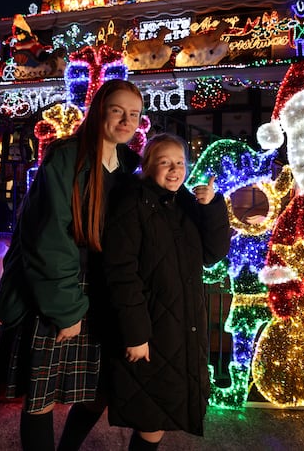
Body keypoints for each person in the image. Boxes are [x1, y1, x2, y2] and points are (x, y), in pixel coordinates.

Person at [0, 79, 144, 451]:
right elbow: (48, 238)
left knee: (100, 388)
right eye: (117, 111)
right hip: (61, 289)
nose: (126, 121)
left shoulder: (131, 166)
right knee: (41, 396)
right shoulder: (66, 157)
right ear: (99, 113)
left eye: (134, 114)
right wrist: (66, 309)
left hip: (105, 292)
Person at [100, 133, 232, 450]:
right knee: (149, 418)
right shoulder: (133, 203)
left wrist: (212, 206)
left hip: (178, 327)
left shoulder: (183, 201)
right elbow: (121, 273)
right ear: (148, 166)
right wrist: (135, 334)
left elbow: (212, 254)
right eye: (164, 162)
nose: (174, 170)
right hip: (151, 328)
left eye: (179, 163)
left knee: (152, 417)